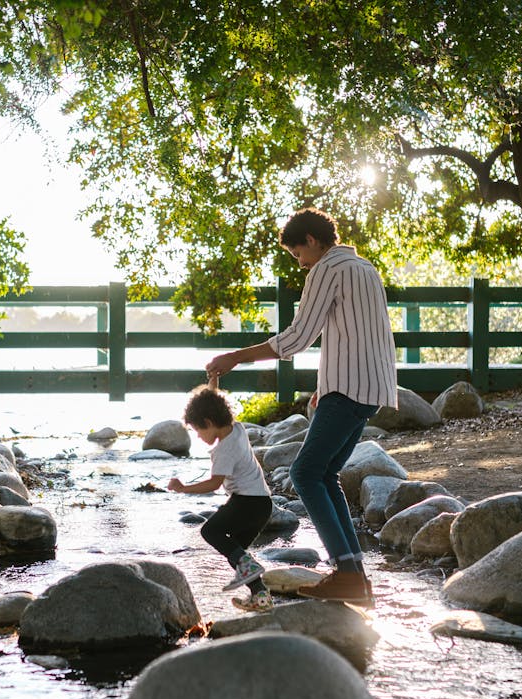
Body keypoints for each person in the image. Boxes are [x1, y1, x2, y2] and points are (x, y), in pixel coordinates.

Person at [205, 207, 398, 605]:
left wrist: (236, 357)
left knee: (305, 473)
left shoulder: (326, 270)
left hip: (347, 390)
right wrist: (325, 385)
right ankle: (355, 577)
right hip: (371, 387)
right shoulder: (366, 268)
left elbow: (297, 338)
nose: (300, 262)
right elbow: (363, 334)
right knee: (325, 474)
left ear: (311, 240)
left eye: (298, 254)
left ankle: (346, 572)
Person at [168, 381, 275, 612]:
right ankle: (261, 596)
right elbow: (213, 401)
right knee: (235, 553)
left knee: (210, 531)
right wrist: (213, 379)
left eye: (198, 430)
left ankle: (256, 581)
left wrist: (183, 488)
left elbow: (214, 484)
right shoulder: (236, 428)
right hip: (263, 504)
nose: (198, 436)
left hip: (247, 502)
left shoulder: (223, 450)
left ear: (208, 423)